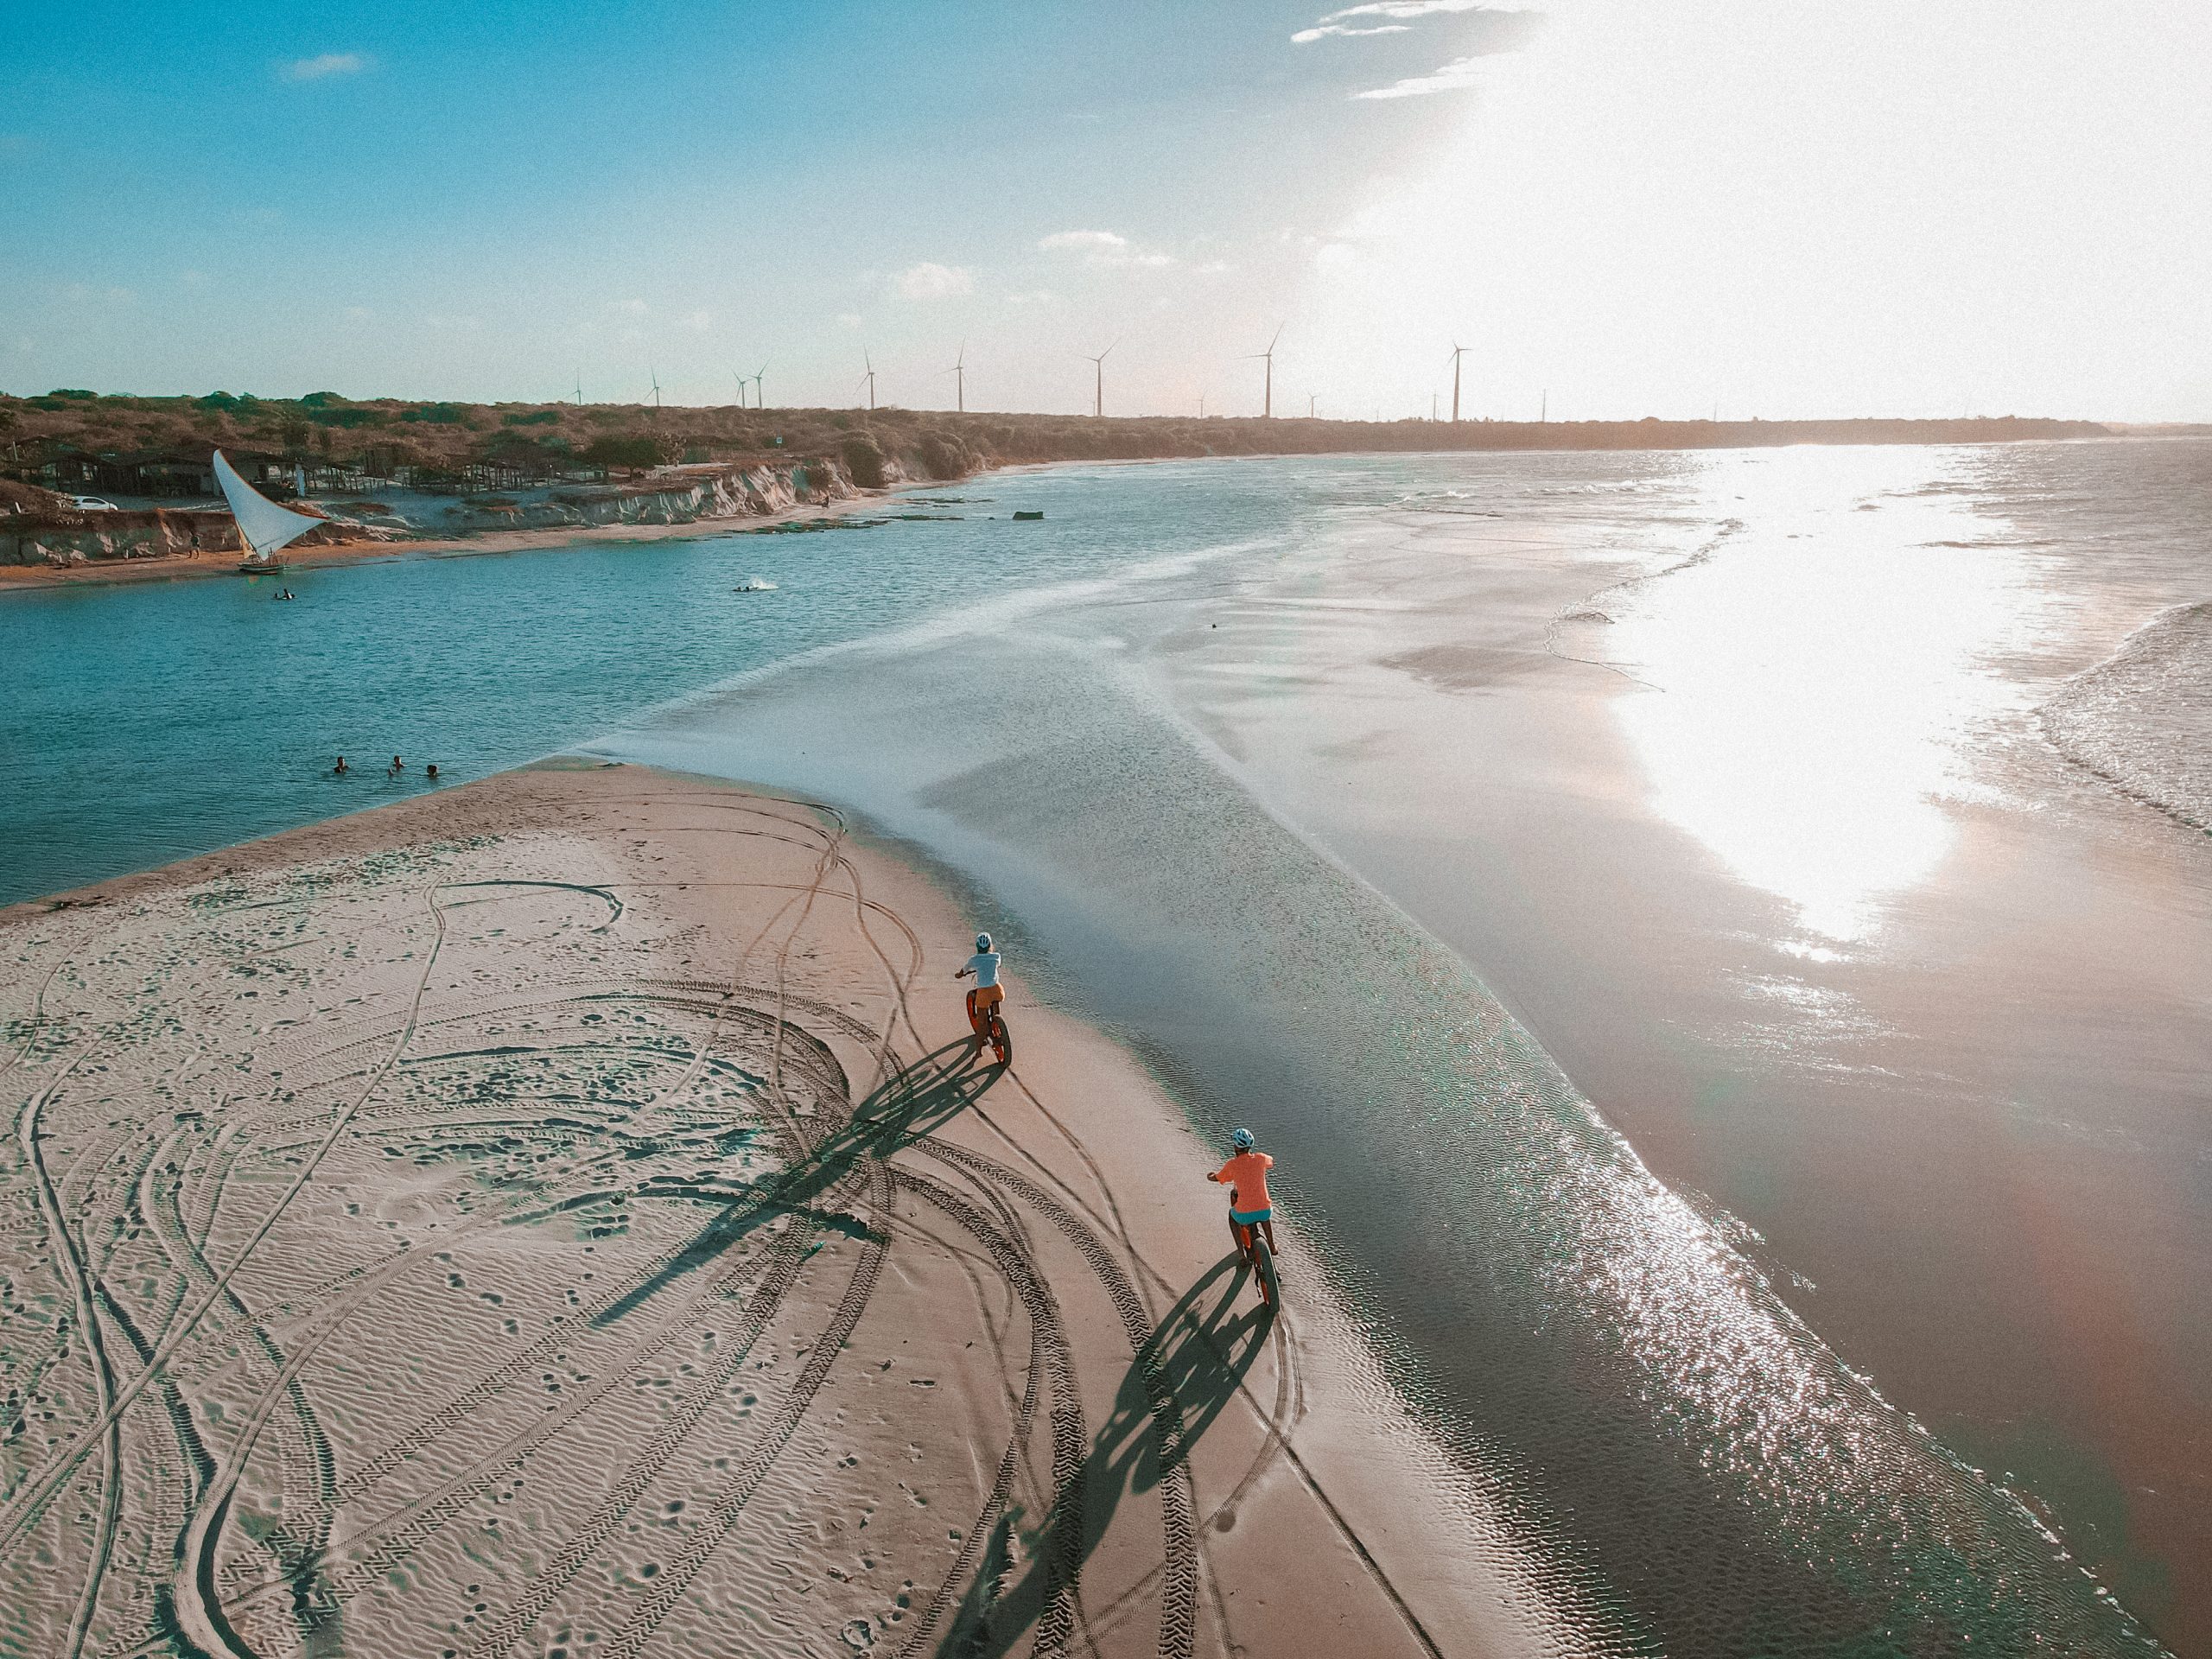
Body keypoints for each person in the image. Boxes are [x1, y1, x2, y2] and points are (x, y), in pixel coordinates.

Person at [1207, 1128, 1276, 1265]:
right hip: (1265, 1210)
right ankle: (1272, 1246)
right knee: (1263, 1212)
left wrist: (1211, 1177)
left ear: (1235, 1146)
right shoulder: (1261, 1158)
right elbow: (1271, 1162)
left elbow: (1219, 1177)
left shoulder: (1232, 1165)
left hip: (1244, 1214)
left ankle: (1241, 1254)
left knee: (1232, 1217)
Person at [953, 931, 1002, 1039]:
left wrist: (960, 975)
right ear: (990, 945)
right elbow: (997, 964)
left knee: (981, 1018)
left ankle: (982, 1036)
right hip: (997, 989)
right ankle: (997, 1021)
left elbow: (964, 970)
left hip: (984, 991)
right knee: (996, 998)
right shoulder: (996, 956)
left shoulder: (974, 959)